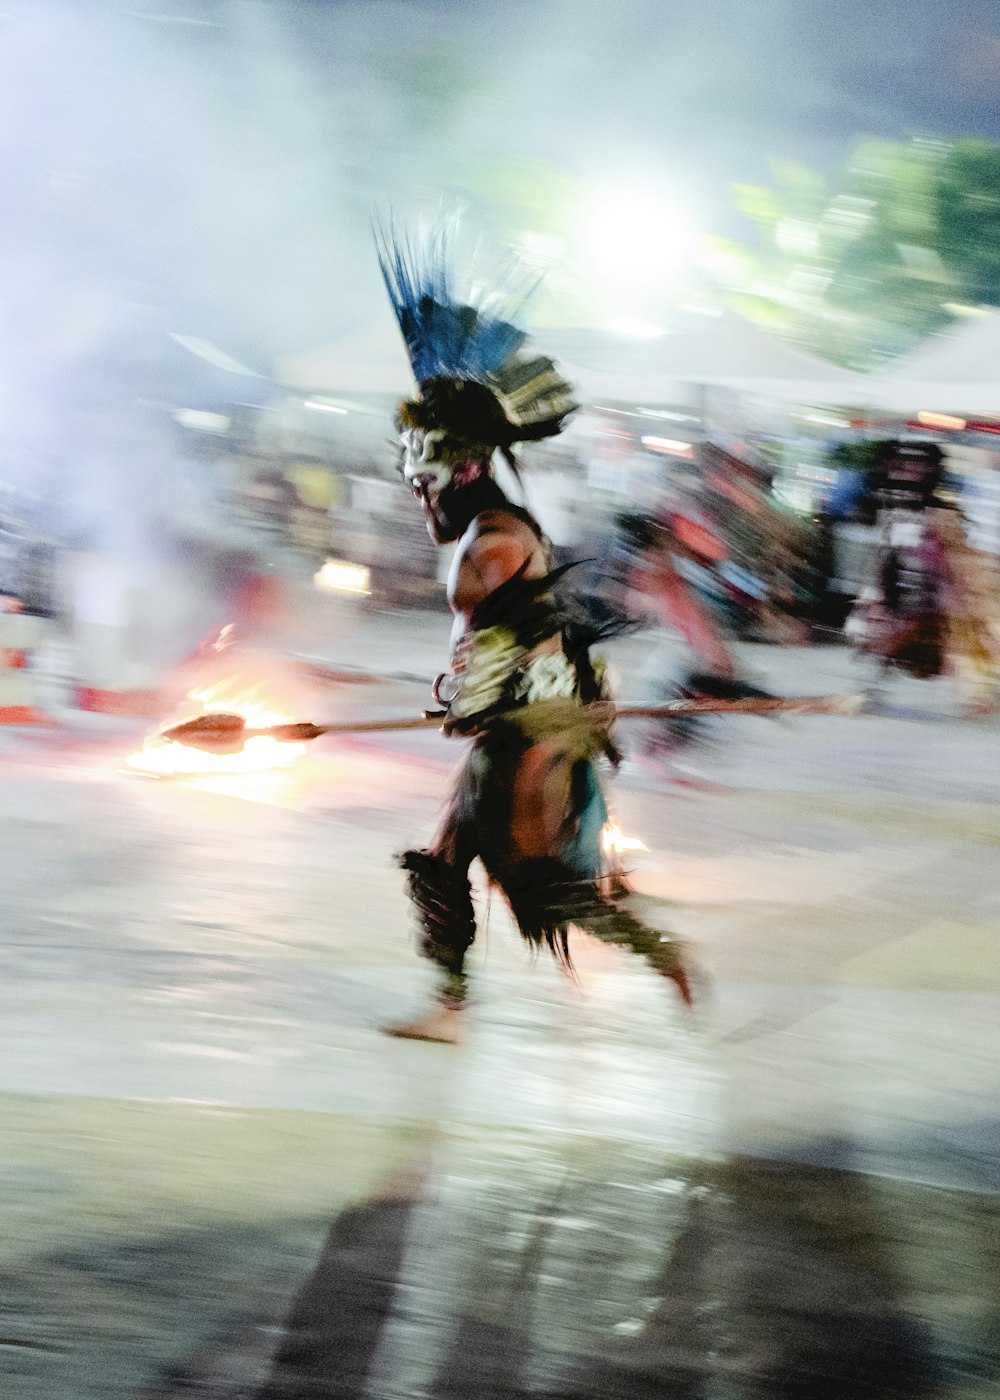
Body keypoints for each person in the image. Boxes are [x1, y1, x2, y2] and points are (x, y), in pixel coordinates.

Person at [376, 230, 694, 1043]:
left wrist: (473, 700)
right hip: (515, 724)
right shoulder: (484, 533)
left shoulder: (493, 541)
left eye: (426, 485)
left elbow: (508, 641)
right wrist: (468, 698)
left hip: (536, 731)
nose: (420, 503)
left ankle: (661, 954)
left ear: (464, 468)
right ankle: (450, 1007)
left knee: (543, 881)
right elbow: (491, 643)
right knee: (446, 862)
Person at [846, 441, 1000, 714]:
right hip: (912, 590)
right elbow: (889, 557)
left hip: (928, 591)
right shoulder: (906, 512)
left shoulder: (931, 513)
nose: (910, 473)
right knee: (896, 642)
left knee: (954, 640)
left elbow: (950, 557)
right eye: (905, 467)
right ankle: (870, 688)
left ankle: (978, 693)